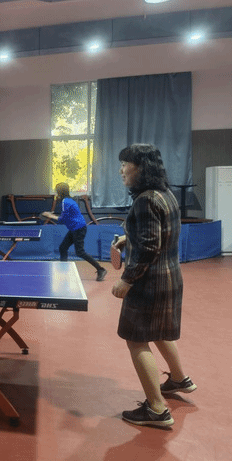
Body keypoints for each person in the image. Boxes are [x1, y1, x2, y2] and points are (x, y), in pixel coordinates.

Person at [112, 144, 196, 428]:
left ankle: (157, 410)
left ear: (141, 168)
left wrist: (127, 280)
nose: (121, 170)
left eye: (126, 164)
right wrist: (128, 238)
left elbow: (149, 247)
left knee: (136, 339)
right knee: (158, 331)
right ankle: (179, 379)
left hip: (149, 282)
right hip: (170, 277)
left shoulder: (145, 200)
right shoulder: (165, 195)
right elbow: (161, 233)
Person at [42, 182, 107, 281]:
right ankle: (64, 271)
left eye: (56, 191)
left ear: (60, 192)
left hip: (78, 228)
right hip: (74, 228)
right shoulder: (68, 200)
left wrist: (49, 215)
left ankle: (100, 269)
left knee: (80, 252)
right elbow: (66, 216)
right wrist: (51, 214)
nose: (56, 193)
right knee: (63, 248)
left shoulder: (66, 202)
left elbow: (62, 219)